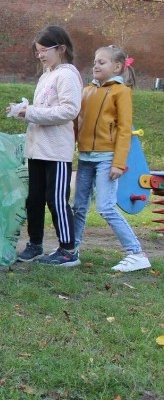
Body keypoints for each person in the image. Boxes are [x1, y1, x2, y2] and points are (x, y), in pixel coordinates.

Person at [9, 25, 82, 266]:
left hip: (56, 151)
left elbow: (69, 110)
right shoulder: (45, 75)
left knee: (56, 199)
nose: (40, 55)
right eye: (37, 51)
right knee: (35, 199)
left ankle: (68, 249)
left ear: (60, 48)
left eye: (44, 50)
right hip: (36, 149)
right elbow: (42, 109)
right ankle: (35, 244)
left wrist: (29, 112)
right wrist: (25, 109)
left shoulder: (68, 75)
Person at [73, 45, 150, 272]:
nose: (96, 65)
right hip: (85, 157)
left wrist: (118, 163)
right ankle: (72, 250)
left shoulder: (121, 92)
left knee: (105, 207)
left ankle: (136, 253)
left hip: (107, 158)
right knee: (78, 207)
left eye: (102, 62)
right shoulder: (87, 90)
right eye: (95, 61)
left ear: (117, 67)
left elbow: (125, 129)